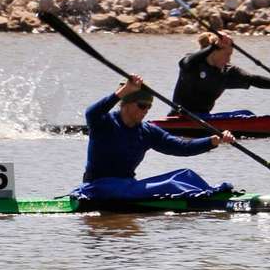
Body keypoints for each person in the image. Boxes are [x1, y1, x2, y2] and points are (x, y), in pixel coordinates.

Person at [72, 74, 236, 200]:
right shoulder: (104, 123)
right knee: (171, 184)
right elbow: (91, 112)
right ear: (126, 103)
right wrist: (121, 92)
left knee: (185, 174)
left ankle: (208, 195)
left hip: (128, 185)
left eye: (149, 107)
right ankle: (198, 198)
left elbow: (181, 147)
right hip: (99, 187)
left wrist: (213, 140)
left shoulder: (147, 131)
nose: (145, 111)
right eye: (142, 106)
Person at [171, 32, 270, 116]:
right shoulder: (193, 64)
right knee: (244, 116)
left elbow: (254, 80)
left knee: (247, 114)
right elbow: (186, 62)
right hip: (180, 117)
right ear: (214, 52)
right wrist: (213, 46)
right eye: (227, 54)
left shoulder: (228, 72)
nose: (228, 60)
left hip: (205, 118)